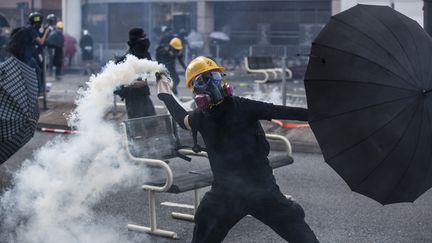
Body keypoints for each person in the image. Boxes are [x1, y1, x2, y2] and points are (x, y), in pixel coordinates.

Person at [155, 56, 319, 243]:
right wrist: (164, 92)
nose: (213, 83)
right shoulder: (237, 108)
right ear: (196, 90)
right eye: (203, 80)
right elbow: (182, 119)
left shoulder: (206, 115)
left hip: (241, 194)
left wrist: (164, 93)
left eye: (215, 76)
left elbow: (283, 111)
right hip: (248, 193)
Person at [113, 27, 156, 119]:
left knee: (152, 124)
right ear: (136, 40)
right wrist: (126, 86)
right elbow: (113, 81)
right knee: (136, 128)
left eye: (145, 38)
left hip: (144, 95)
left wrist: (144, 82)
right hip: (132, 98)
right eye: (142, 38)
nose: (145, 41)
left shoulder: (146, 55)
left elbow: (155, 74)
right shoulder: (127, 58)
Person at [7, 12, 51, 94]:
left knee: (33, 71)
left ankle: (34, 90)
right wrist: (46, 32)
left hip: (20, 55)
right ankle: (38, 91)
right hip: (26, 56)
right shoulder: (32, 30)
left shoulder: (26, 29)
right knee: (36, 71)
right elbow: (41, 42)